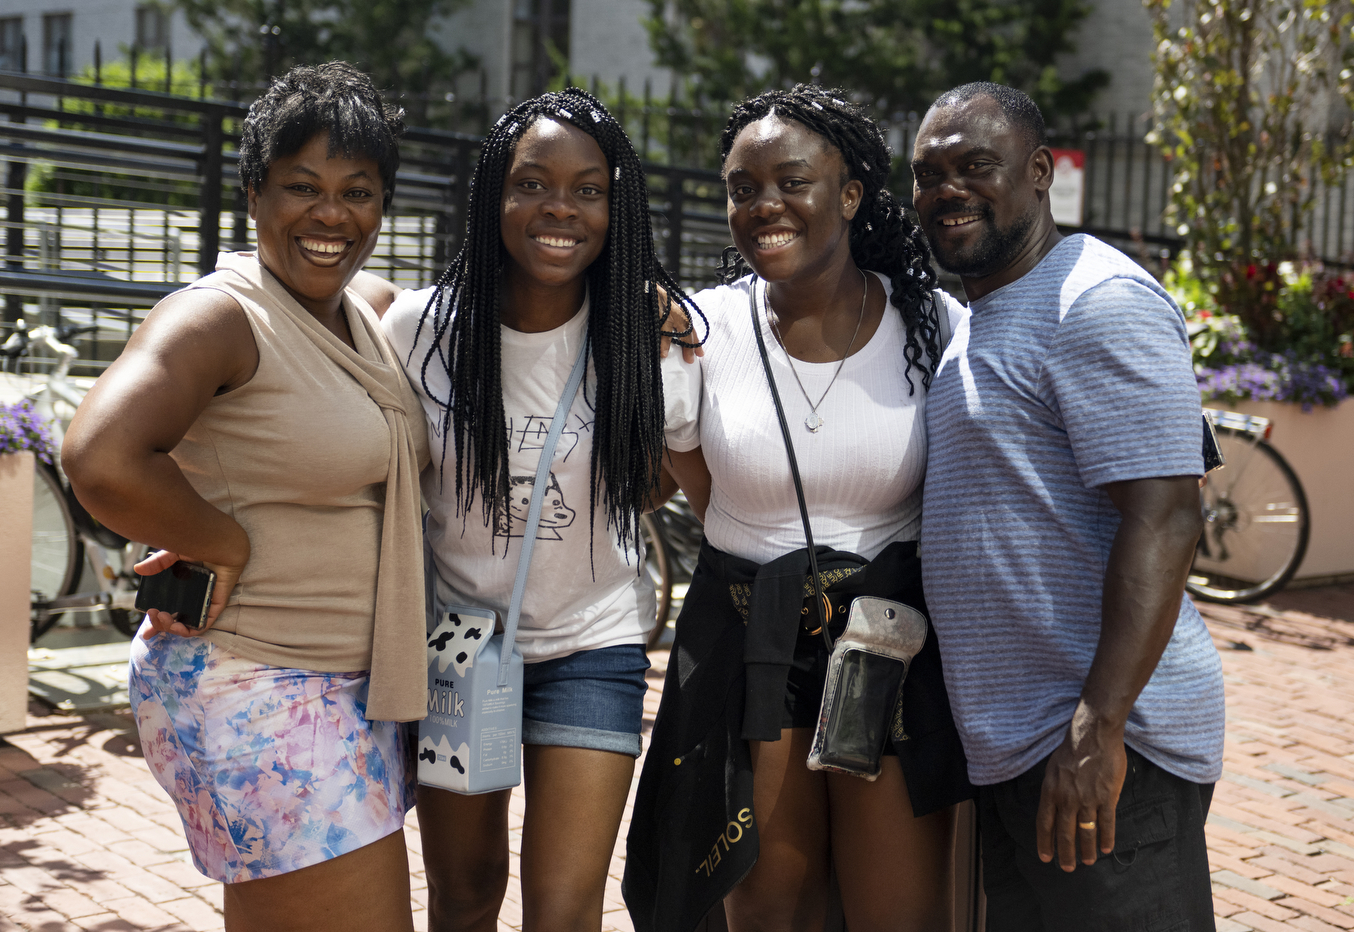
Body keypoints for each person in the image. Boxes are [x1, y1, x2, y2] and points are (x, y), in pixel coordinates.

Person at [62, 63, 428, 932]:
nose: (331, 214)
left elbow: (504, 316)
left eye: (358, 191)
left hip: (344, 686)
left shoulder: (364, 311)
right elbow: (99, 457)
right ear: (254, 193)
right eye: (302, 186)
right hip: (255, 679)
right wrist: (217, 538)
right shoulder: (221, 317)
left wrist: (651, 310)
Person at [626, 85, 974, 932]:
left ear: (850, 195)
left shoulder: (933, 325)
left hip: (888, 651)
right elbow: (672, 488)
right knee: (771, 907)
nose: (764, 205)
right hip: (749, 644)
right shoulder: (702, 331)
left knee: (898, 911)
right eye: (743, 188)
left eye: (791, 181)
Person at [376, 88, 703, 932]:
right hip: (457, 645)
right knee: (464, 892)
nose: (560, 207)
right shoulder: (423, 331)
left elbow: (666, 472)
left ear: (615, 205)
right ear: (494, 192)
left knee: (562, 912)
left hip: (591, 647)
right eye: (532, 183)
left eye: (588, 189)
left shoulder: (644, 335)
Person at [911, 82, 1222, 930]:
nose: (948, 191)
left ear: (1040, 172)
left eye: (977, 166)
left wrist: (1098, 725)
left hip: (1103, 745)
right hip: (1020, 745)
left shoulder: (1096, 301)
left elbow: (1166, 517)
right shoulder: (985, 312)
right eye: (928, 174)